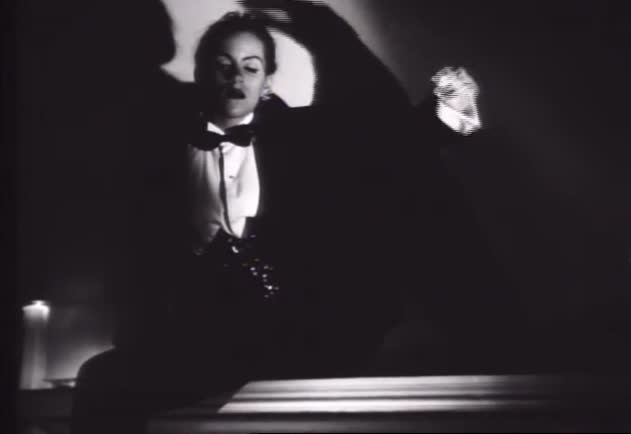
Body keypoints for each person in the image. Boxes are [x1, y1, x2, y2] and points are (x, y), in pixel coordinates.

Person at [71, 1, 484, 432]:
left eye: (250, 67)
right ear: (200, 73)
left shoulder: (300, 137)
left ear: (267, 81)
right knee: (101, 378)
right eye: (223, 66)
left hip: (284, 331)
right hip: (200, 337)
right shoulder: (159, 143)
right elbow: (137, 249)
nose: (236, 78)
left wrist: (446, 113)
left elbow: (383, 143)